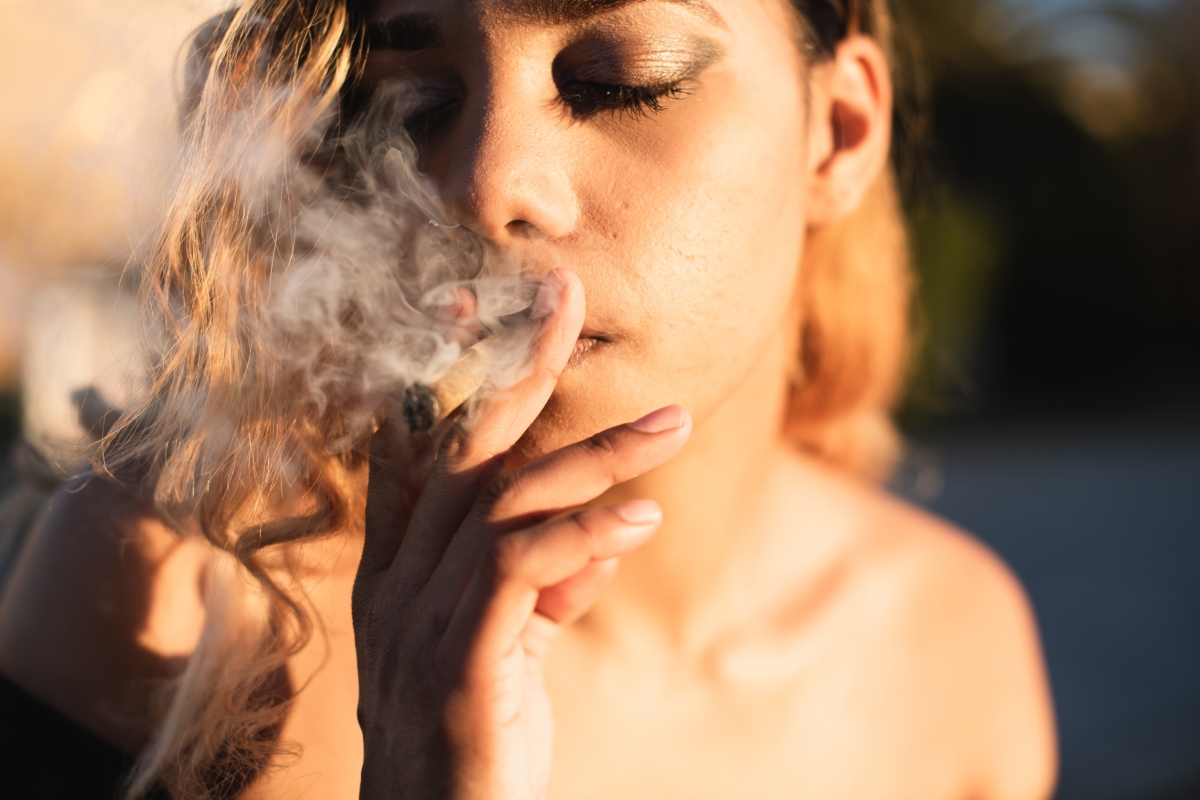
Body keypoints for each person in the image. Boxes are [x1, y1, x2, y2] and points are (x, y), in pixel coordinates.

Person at [0, 0, 1057, 797]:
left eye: (622, 77)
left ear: (842, 132)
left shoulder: (952, 647)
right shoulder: (163, 598)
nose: (484, 185)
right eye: (415, 100)